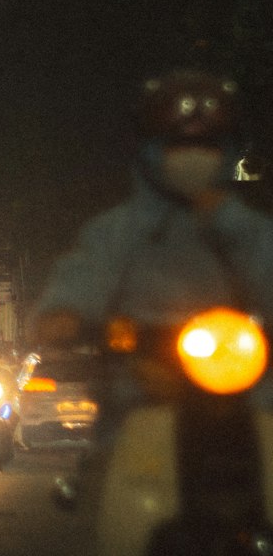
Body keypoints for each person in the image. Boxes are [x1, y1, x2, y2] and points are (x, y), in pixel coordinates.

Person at [33, 69, 273, 488]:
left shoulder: (253, 233)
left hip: (248, 404)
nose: (194, 156)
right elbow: (72, 292)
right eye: (179, 145)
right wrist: (64, 317)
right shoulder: (116, 233)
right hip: (140, 401)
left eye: (206, 146)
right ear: (151, 151)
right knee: (121, 496)